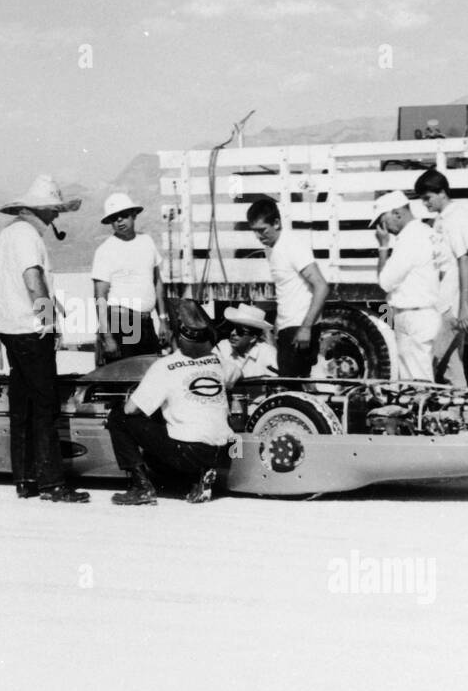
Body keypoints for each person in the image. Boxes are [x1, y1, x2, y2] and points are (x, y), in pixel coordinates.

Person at [0, 175, 90, 502]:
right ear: (38, 209)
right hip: (31, 331)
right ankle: (52, 483)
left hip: (10, 328)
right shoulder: (27, 237)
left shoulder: (10, 234)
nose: (55, 217)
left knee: (23, 406)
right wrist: (49, 319)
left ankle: (25, 478)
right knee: (45, 406)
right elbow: (33, 280)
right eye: (52, 210)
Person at [107, 299, 234, 506]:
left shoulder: (165, 366)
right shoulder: (220, 362)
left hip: (189, 451)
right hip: (223, 449)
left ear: (176, 335)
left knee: (119, 417)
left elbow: (131, 409)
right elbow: (236, 374)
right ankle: (198, 477)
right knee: (178, 423)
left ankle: (141, 487)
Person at [245, 198, 329, 377]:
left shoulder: (292, 245)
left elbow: (321, 286)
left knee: (290, 390)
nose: (259, 237)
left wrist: (306, 328)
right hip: (288, 328)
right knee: (295, 387)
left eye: (262, 230)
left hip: (299, 328)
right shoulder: (271, 248)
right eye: (255, 232)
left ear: (276, 223)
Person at [91, 192, 168, 365]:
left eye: (124, 215)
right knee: (126, 377)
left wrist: (163, 320)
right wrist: (107, 336)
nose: (119, 221)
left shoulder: (147, 241)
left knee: (151, 372)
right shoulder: (105, 250)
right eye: (114, 218)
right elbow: (100, 296)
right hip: (122, 321)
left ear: (134, 215)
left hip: (146, 321)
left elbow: (157, 283)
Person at [372, 191, 441, 382]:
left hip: (412, 315)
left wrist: (383, 247)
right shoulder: (426, 232)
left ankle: (421, 411)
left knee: (415, 378)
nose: (382, 227)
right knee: (420, 373)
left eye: (382, 219)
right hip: (426, 312)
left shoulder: (409, 239)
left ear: (397, 213)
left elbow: (385, 282)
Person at [415, 168, 468, 386]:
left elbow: (465, 259)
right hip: (443, 304)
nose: (426, 204)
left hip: (451, 307)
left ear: (442, 192)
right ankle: (464, 416)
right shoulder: (442, 219)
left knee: (427, 360)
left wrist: (464, 308)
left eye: (428, 198)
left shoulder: (457, 218)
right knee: (450, 365)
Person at [214, 303, 279, 385]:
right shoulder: (222, 347)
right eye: (231, 328)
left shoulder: (268, 352)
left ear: (253, 338)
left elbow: (274, 382)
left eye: (240, 331)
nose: (233, 333)